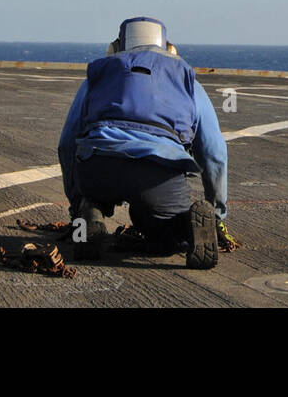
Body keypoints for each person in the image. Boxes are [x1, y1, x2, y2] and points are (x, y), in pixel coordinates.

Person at [58, 17, 228, 269]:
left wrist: (75, 201)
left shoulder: (99, 76)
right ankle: (187, 227)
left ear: (116, 48)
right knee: (163, 231)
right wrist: (216, 213)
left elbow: (67, 144)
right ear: (170, 49)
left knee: (89, 200)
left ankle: (87, 216)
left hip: (98, 168)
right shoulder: (187, 82)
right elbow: (213, 153)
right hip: (158, 172)